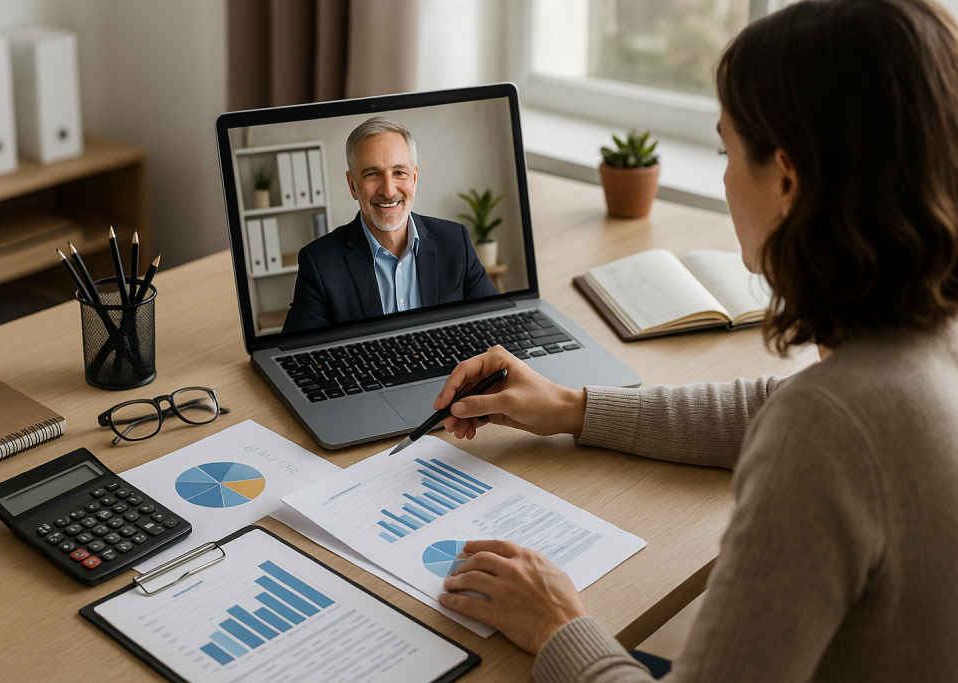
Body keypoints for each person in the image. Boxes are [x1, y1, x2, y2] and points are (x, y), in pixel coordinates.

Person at [434, 1, 958, 681]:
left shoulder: (831, 427)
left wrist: (559, 625)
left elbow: (813, 426)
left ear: (789, 180)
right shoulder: (926, 340)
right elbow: (776, 407)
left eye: (726, 150)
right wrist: (573, 406)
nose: (724, 175)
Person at [281, 117, 497, 334]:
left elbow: (495, 323)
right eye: (372, 174)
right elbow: (296, 355)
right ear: (353, 185)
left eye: (399, 172)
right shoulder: (319, 264)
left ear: (414, 178)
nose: (388, 190)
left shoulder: (454, 240)